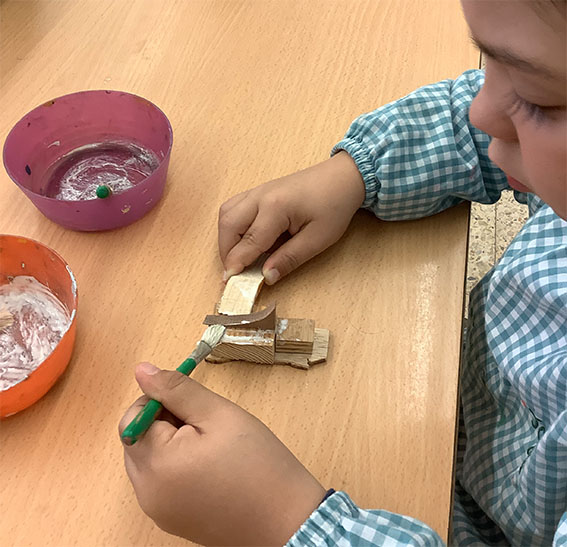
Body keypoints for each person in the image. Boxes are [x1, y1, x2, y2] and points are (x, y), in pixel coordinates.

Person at [119, 1, 567, 544]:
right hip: (470, 416)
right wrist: (357, 172)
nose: (481, 112)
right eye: (489, 63)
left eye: (538, 100)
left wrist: (281, 519)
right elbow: (472, 116)